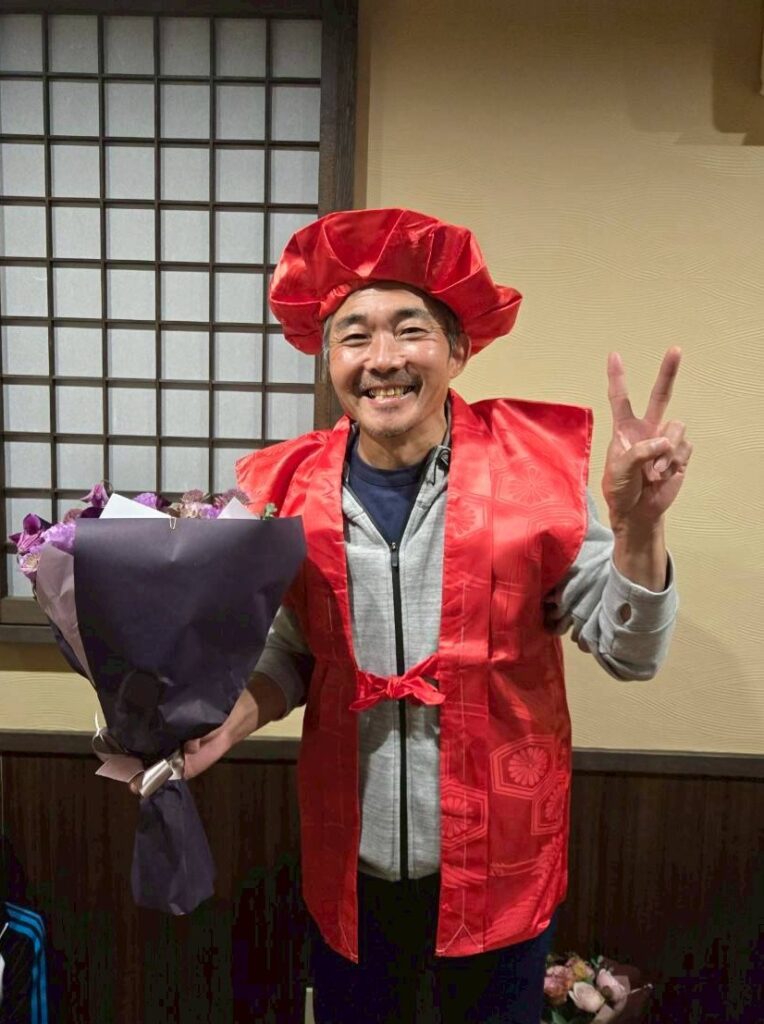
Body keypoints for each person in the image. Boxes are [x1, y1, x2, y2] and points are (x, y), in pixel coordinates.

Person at [182, 208, 692, 1023]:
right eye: (354, 336)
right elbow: (298, 653)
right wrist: (230, 721)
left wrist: (639, 529)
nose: (383, 359)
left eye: (410, 329)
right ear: (328, 361)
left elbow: (631, 653)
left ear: (457, 351)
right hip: (350, 860)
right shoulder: (289, 491)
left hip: (500, 858)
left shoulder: (535, 476)